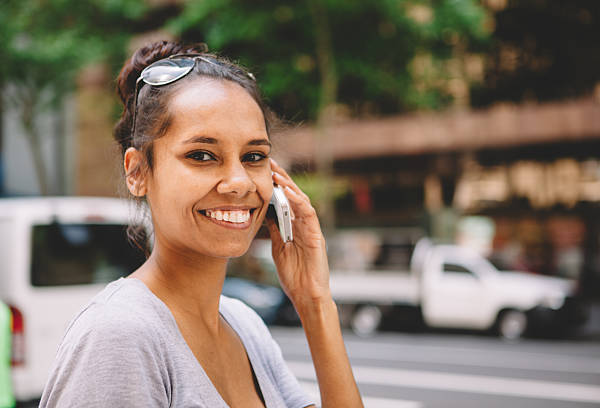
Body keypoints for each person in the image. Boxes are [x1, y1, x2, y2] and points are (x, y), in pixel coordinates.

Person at [40, 40, 363, 407]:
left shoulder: (244, 325)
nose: (239, 181)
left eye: (254, 156)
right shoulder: (119, 334)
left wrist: (315, 303)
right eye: (202, 155)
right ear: (137, 172)